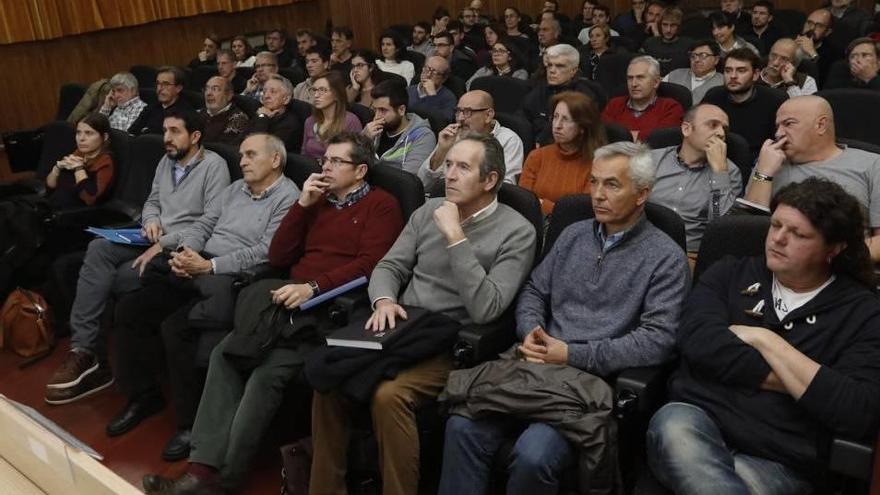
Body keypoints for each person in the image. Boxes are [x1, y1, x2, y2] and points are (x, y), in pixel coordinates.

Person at [140, 132, 404, 493]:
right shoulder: (317, 201)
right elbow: (279, 257)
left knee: (265, 376)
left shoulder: (382, 204)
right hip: (282, 302)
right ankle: (200, 470)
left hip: (328, 311)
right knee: (225, 355)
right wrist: (303, 206)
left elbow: (370, 265)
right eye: (323, 160)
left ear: (360, 171)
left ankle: (222, 481)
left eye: (335, 162)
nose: (325, 167)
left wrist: (313, 288)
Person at [439, 141, 689, 495]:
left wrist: (572, 354)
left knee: (533, 454)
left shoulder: (666, 258)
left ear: (641, 194)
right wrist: (531, 330)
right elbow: (534, 292)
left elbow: (657, 340)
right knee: (462, 426)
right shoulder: (573, 235)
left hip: (589, 383)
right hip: (535, 365)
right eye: (593, 182)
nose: (597, 195)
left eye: (611, 185)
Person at [309, 133, 538, 495]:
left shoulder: (518, 232)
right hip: (402, 325)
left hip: (453, 340)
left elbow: (486, 309)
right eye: (449, 165)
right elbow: (388, 267)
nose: (450, 175)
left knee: (389, 396)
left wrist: (455, 237)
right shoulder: (427, 211)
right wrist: (383, 300)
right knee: (329, 379)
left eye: (463, 167)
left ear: (491, 180)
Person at [646, 177, 880, 495]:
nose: (777, 239)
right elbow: (699, 343)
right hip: (697, 421)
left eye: (797, 234)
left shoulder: (862, 312)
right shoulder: (730, 273)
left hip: (783, 456)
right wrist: (806, 380)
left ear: (834, 248)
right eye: (775, 225)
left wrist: (766, 340)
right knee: (674, 427)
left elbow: (856, 408)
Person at [106, 132, 298, 444]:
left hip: (230, 277)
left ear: (275, 160)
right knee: (131, 307)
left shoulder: (288, 198)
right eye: (242, 155)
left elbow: (266, 252)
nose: (242, 161)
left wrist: (210, 266)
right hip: (197, 264)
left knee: (175, 327)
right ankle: (144, 395)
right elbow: (204, 225)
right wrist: (186, 252)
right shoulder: (236, 188)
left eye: (251, 155)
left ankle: (190, 424)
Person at [44, 109, 230, 405]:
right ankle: (84, 350)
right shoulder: (165, 161)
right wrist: (151, 220)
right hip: (149, 235)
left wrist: (165, 240)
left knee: (119, 278)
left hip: (180, 245)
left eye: (174, 132)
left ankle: (107, 365)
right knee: (98, 248)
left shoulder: (214, 167)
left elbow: (211, 222)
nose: (166, 138)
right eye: (165, 130)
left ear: (195, 137)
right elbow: (153, 200)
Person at [744, 95, 880, 261]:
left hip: (842, 270)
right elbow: (748, 232)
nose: (778, 133)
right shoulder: (768, 162)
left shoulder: (873, 165)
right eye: (777, 126)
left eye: (788, 124)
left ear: (821, 125)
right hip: (773, 266)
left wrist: (822, 260)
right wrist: (764, 172)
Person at [649, 104, 743, 259]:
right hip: (644, 245)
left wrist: (719, 171)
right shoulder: (652, 160)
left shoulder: (729, 172)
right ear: (686, 129)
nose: (720, 133)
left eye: (724, 130)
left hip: (688, 254)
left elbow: (721, 226)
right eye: (712, 125)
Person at [520, 91, 607, 216]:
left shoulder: (597, 165)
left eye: (565, 119)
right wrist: (553, 208)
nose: (557, 125)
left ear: (583, 126)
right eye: (555, 117)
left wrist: (541, 204)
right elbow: (524, 203)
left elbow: (582, 212)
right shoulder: (537, 157)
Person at [419, 90, 525, 191]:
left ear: (488, 115)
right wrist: (441, 151)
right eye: (458, 111)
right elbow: (423, 184)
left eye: (467, 112)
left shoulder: (508, 140)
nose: (460, 118)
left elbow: (505, 189)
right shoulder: (453, 135)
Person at [703, 48, 788, 160]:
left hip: (761, 162)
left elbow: (784, 142)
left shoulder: (776, 99)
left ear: (755, 75)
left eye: (741, 70)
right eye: (728, 70)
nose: (733, 76)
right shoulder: (713, 96)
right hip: (718, 157)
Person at [523, 44, 604, 145]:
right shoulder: (539, 90)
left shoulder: (584, 97)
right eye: (549, 65)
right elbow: (522, 120)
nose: (552, 71)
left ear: (573, 71)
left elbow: (584, 135)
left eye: (559, 66)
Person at [601, 55, 684, 141]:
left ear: (656, 82)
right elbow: (601, 135)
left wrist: (621, 137)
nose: (634, 84)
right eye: (630, 78)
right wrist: (641, 136)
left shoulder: (670, 107)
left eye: (640, 78)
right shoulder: (614, 105)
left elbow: (659, 141)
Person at [364, 79, 436, 175]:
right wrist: (364, 139)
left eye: (383, 110)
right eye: (374, 109)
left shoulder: (423, 136)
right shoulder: (372, 129)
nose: (376, 116)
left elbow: (408, 180)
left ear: (401, 110)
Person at [45, 113, 114, 210]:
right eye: (78, 132)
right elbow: (50, 188)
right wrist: (57, 168)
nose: (81, 139)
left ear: (105, 137)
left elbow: (90, 198)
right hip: (56, 207)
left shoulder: (104, 162)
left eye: (89, 133)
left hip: (76, 215)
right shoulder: (79, 153)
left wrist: (79, 169)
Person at [302, 72, 363, 158]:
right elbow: (304, 154)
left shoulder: (351, 121)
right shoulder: (310, 121)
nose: (316, 95)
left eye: (322, 90)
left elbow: (356, 157)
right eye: (314, 90)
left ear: (336, 95)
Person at [129, 66, 193, 136]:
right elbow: (132, 132)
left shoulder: (186, 113)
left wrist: (146, 131)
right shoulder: (151, 107)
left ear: (178, 88)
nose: (159, 88)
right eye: (158, 83)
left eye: (165, 84)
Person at [247, 74, 302, 152]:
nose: (266, 96)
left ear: (286, 99)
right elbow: (242, 140)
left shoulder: (291, 125)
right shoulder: (260, 113)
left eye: (273, 92)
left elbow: (261, 148)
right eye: (264, 91)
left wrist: (263, 117)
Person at [664, 39, 724, 104]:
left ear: (716, 60)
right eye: (693, 56)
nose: (696, 60)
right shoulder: (674, 75)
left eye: (703, 55)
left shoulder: (723, 82)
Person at [641, 7, 693, 76]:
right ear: (660, 25)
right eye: (665, 25)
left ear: (679, 26)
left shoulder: (688, 45)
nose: (668, 30)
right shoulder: (649, 44)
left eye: (673, 25)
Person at [797, 9, 843, 86]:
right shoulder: (790, 41)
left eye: (819, 26)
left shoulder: (834, 53)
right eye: (809, 23)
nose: (811, 28)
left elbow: (823, 80)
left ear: (827, 32)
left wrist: (812, 53)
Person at [200, 76, 250, 146]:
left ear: (229, 95)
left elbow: (223, 149)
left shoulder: (238, 119)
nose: (208, 93)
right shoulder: (201, 113)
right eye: (206, 89)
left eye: (215, 89)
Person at [407, 55, 457, 122]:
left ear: (444, 79)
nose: (428, 75)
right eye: (427, 69)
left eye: (435, 72)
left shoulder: (449, 98)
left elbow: (443, 122)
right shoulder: (408, 91)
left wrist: (432, 96)